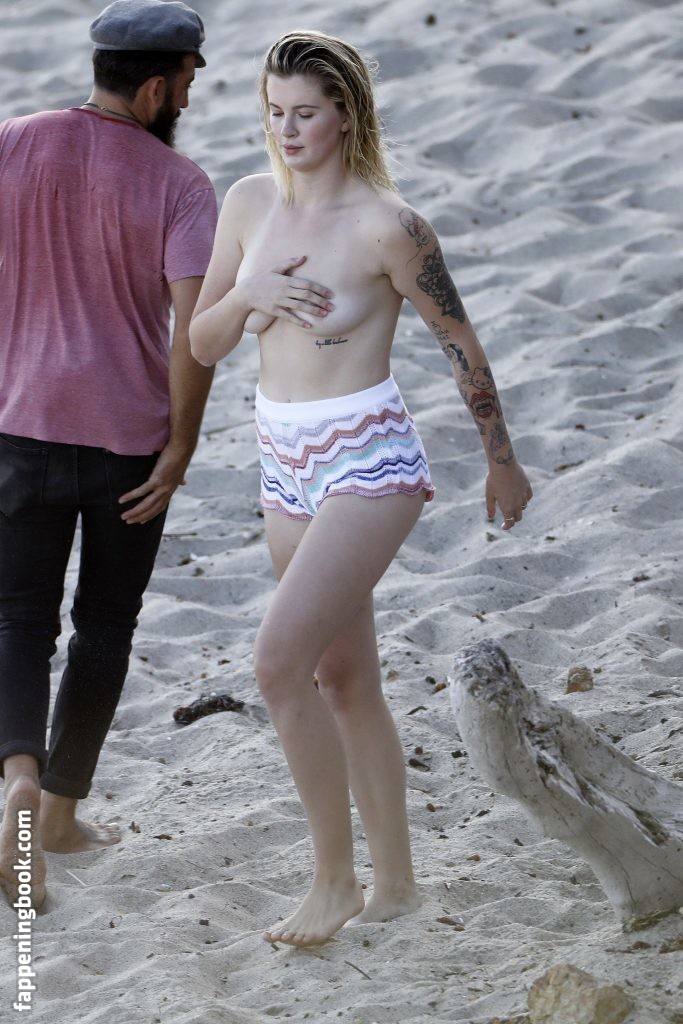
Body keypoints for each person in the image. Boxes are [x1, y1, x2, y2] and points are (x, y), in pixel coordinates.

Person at [189, 29, 532, 947]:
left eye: (304, 113)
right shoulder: (248, 203)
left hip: (366, 461)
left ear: (344, 115)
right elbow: (202, 343)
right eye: (273, 112)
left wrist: (500, 458)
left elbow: (459, 342)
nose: (286, 129)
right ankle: (398, 886)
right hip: (281, 460)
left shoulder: (390, 226)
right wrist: (250, 293)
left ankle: (333, 881)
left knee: (277, 664)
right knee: (344, 679)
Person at [0, 0, 216, 908]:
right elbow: (194, 334)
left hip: (20, 423)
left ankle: (16, 777)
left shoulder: (12, 142)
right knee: (105, 625)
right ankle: (57, 813)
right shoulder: (181, 184)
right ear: (158, 87)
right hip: (129, 443)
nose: (188, 101)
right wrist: (182, 445)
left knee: (17, 621)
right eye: (189, 84)